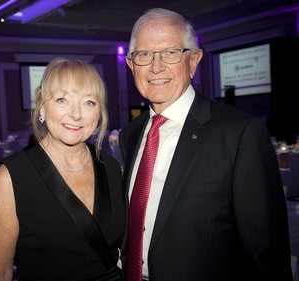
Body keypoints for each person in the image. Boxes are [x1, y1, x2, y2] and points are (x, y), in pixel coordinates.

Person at [119, 8, 293, 281]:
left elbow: (267, 252)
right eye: (144, 55)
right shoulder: (130, 135)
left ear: (194, 61)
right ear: (131, 65)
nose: (156, 66)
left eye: (171, 52)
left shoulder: (240, 133)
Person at [0, 58, 125, 281]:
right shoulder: (11, 179)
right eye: (62, 100)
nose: (76, 114)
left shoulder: (111, 168)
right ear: (41, 106)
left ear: (99, 113)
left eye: (89, 102)